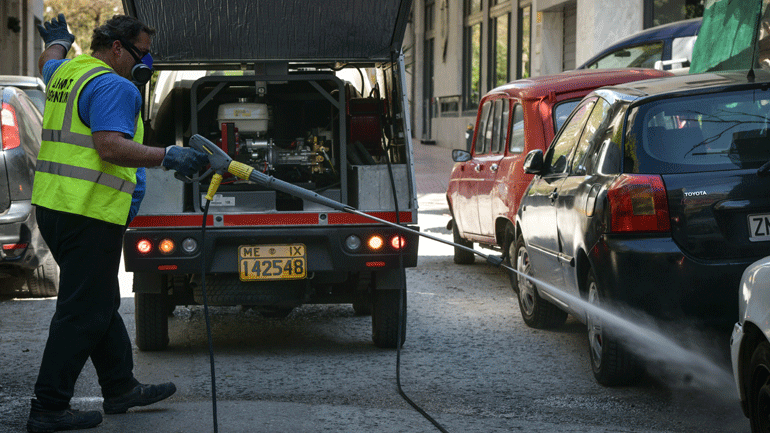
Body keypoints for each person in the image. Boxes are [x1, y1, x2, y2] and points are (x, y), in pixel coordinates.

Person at [26, 13, 209, 433]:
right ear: (116, 49)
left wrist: (57, 40)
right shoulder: (115, 86)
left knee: (101, 301)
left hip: (55, 208)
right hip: (89, 212)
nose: (146, 64)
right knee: (82, 312)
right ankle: (49, 407)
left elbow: (47, 63)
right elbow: (109, 146)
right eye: (142, 54)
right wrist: (167, 155)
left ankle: (120, 387)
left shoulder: (70, 71)